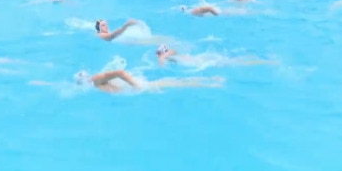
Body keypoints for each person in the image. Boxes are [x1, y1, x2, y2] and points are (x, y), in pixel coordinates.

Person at [31, 69, 225, 94]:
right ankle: (211, 81)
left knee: (176, 83)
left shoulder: (95, 83)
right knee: (176, 82)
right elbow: (120, 72)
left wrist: (136, 86)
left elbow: (120, 72)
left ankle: (211, 81)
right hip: (136, 87)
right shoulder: (95, 82)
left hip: (135, 88)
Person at [155, 44, 277, 68]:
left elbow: (167, 55)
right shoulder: (169, 55)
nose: (158, 56)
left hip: (199, 62)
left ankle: (264, 61)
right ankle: (262, 60)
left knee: (235, 62)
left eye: (159, 53)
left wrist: (161, 60)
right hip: (199, 59)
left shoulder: (169, 52)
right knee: (232, 60)